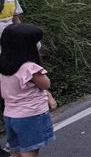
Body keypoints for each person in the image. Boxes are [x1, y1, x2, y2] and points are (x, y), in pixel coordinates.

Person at [0, 23, 57, 157]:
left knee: (17, 152)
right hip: (31, 115)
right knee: (30, 152)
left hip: (10, 115)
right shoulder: (29, 68)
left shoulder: (3, 66)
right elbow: (46, 84)